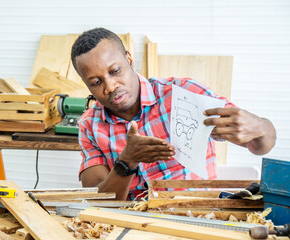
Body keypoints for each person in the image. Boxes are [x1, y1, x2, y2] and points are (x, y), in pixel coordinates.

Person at [70, 28, 276, 200]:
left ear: (129, 60)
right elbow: (97, 201)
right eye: (96, 82)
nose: (110, 86)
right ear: (86, 85)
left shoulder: (185, 94)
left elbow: (259, 146)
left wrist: (261, 127)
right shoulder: (90, 125)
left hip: (199, 216)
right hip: (134, 224)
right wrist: (127, 162)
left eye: (115, 71)